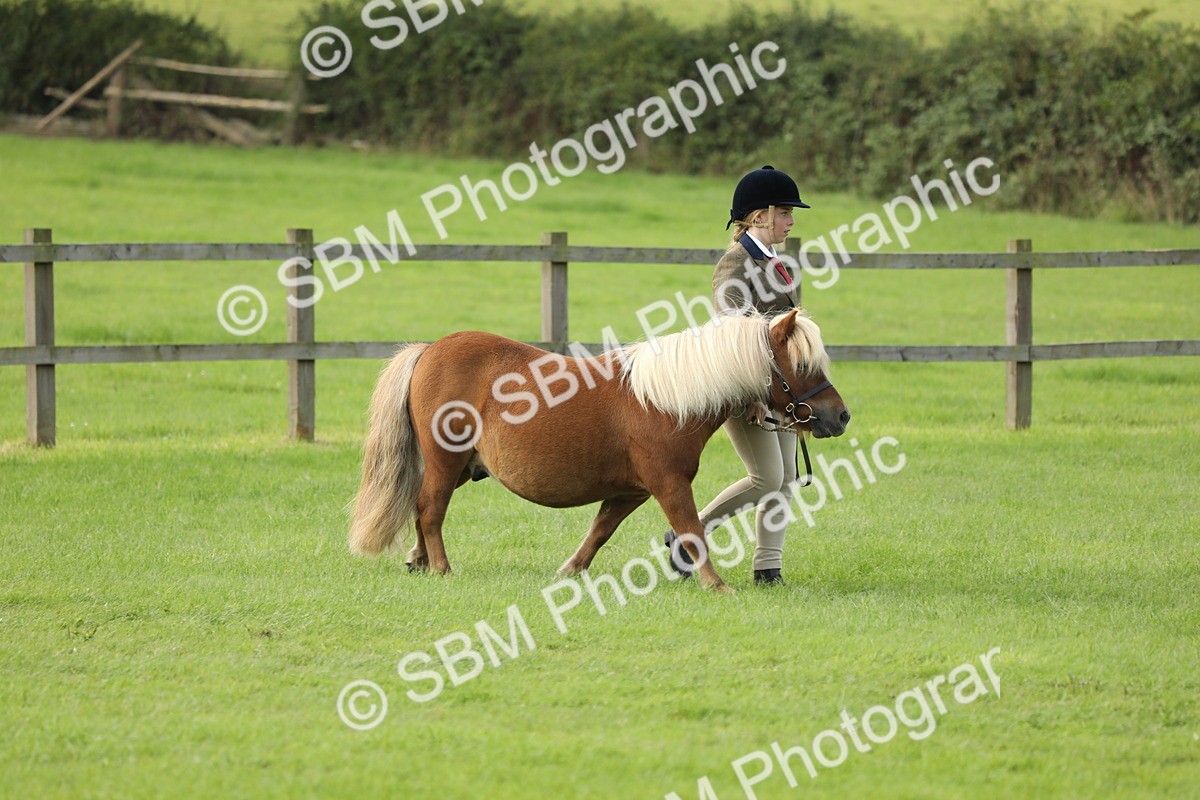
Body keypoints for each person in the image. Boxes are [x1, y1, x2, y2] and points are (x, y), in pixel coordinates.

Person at [666, 165, 810, 585]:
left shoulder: (777, 263)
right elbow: (732, 333)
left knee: (783, 481)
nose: (791, 220)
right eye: (784, 211)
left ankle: (768, 569)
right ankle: (687, 535)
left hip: (781, 388)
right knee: (767, 477)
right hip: (749, 389)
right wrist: (754, 395)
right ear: (760, 215)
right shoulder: (734, 266)